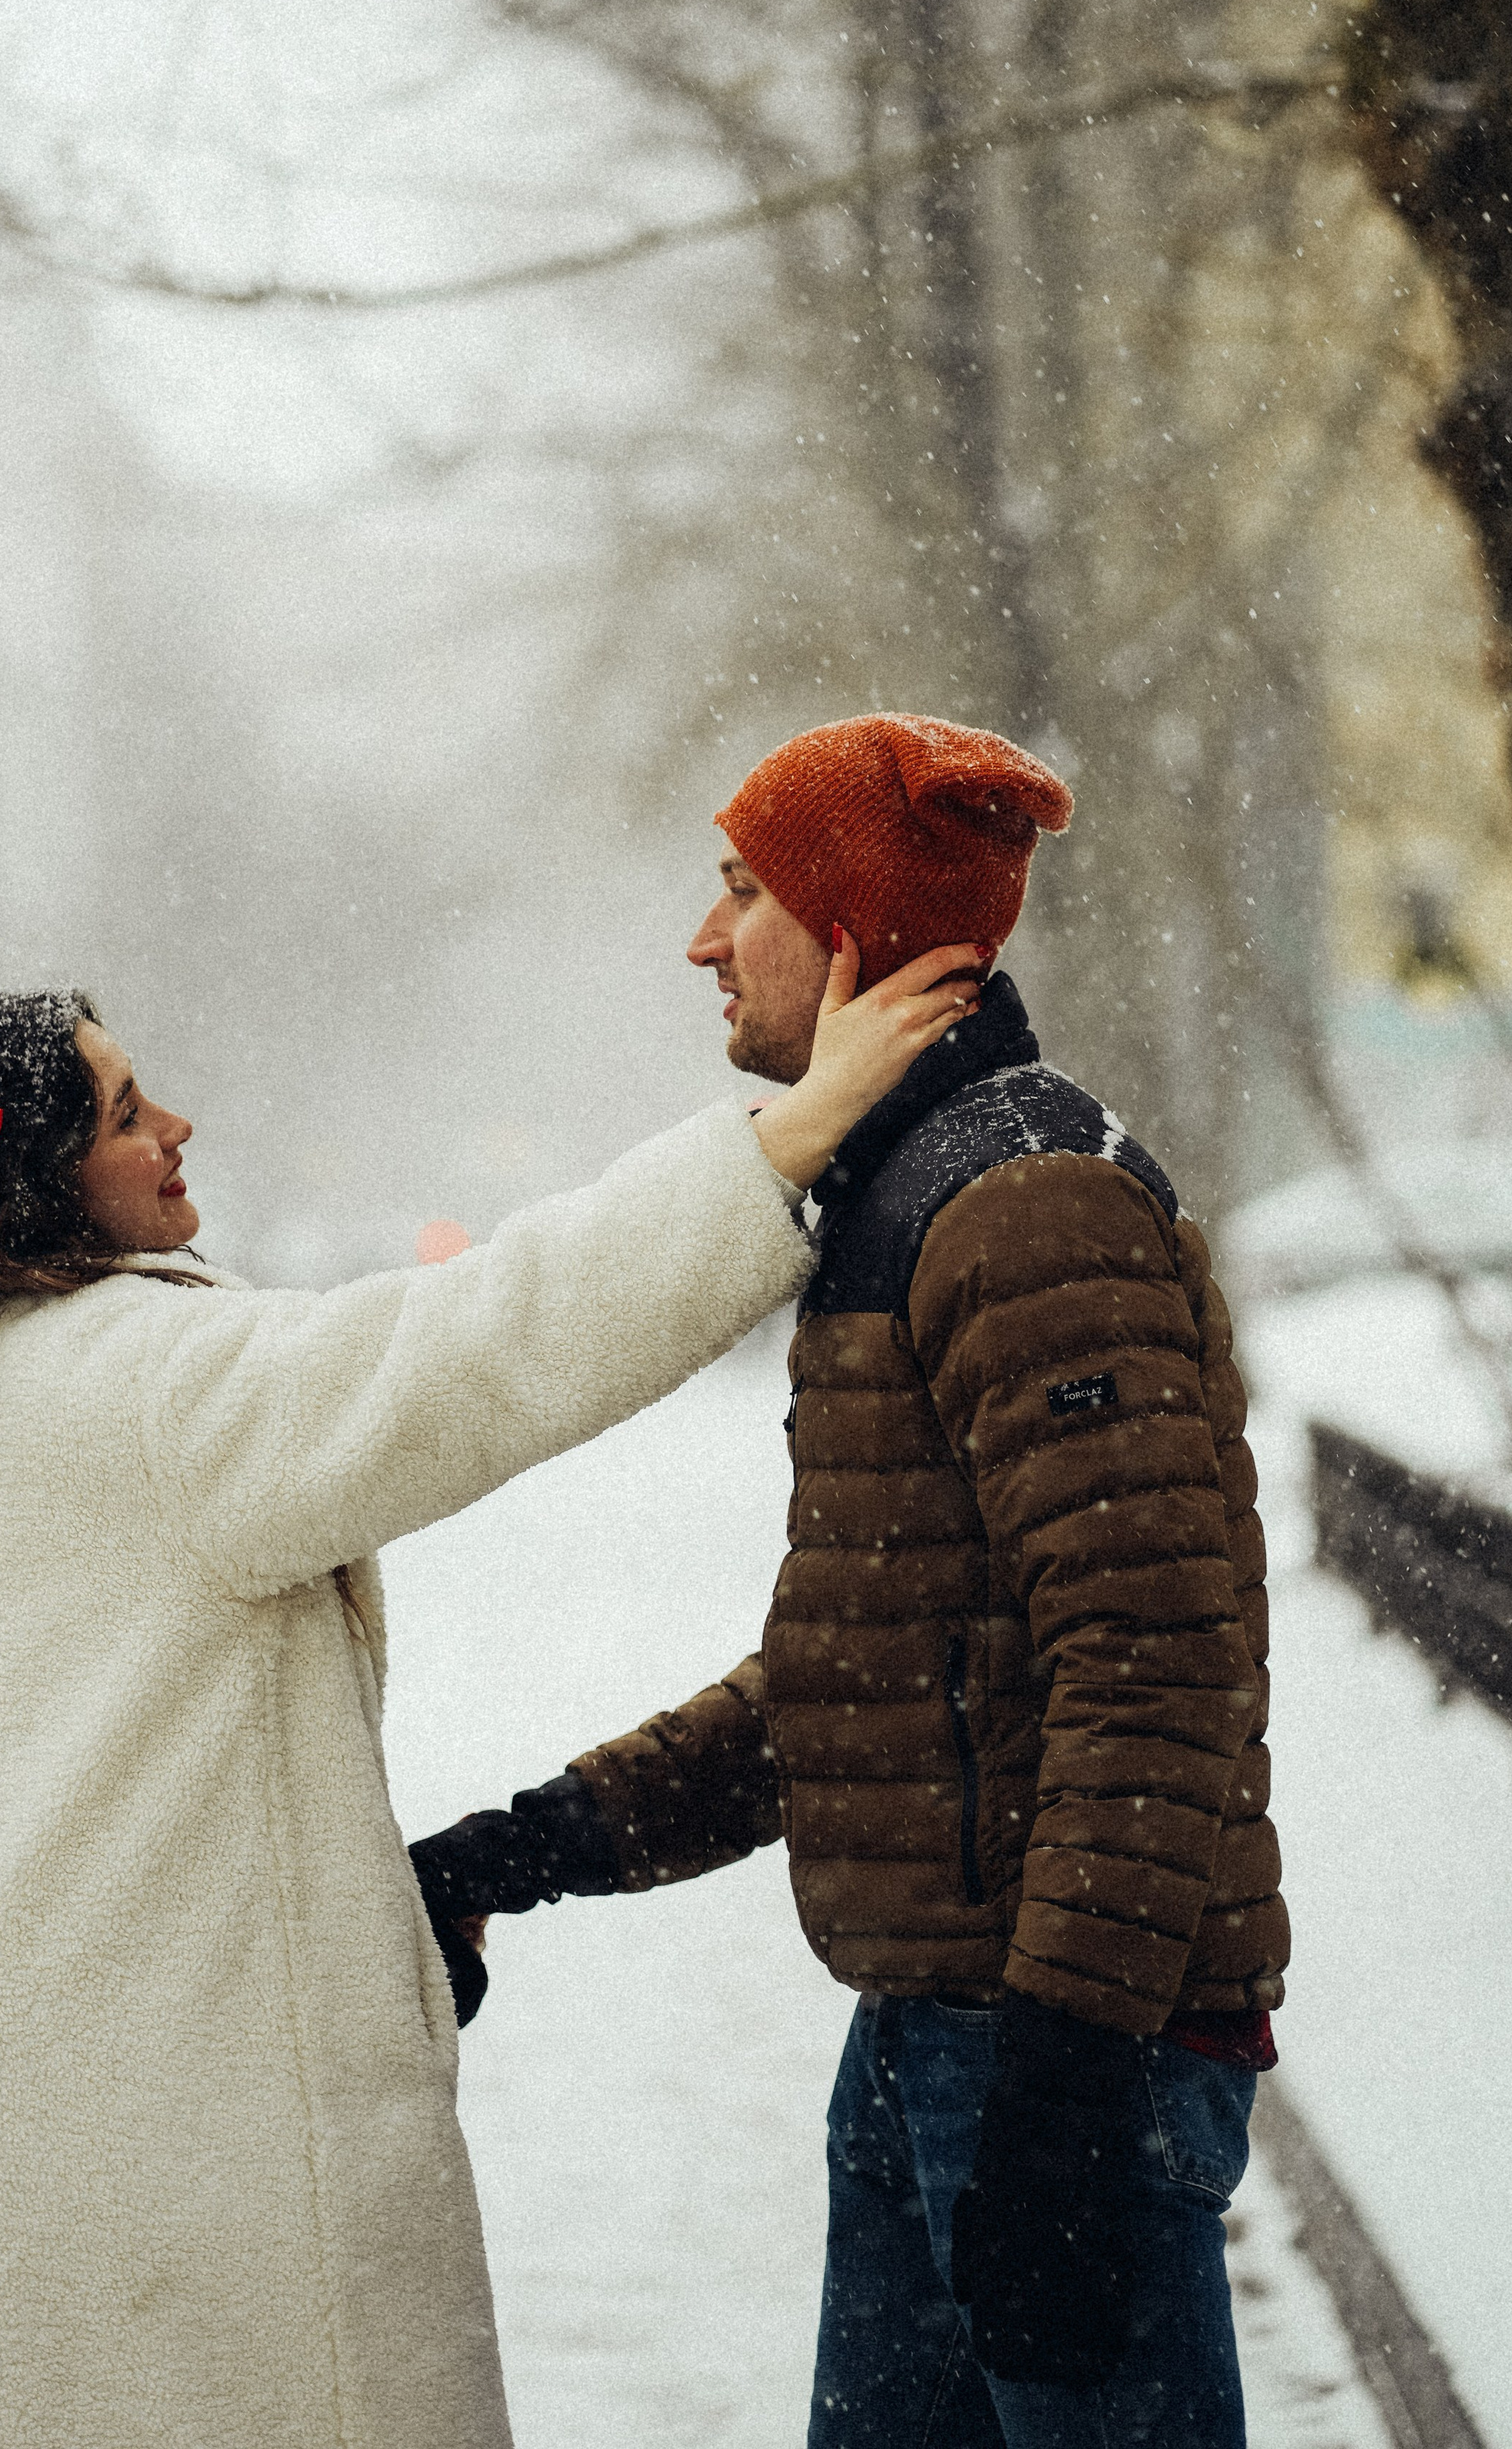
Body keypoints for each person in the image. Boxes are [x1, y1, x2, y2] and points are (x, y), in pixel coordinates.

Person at [0, 953, 978, 2449]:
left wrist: (360, 1940)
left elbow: (90, 1823)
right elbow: (484, 1341)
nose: (178, 1123)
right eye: (129, 1112)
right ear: (36, 1193)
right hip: (162, 2194)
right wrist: (788, 1136)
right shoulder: (145, 1382)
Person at [410, 713, 1290, 2449]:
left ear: (859, 927)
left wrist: (1055, 2093)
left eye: (740, 888)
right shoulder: (904, 1199)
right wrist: (534, 1842)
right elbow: (868, 1689)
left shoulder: (1025, 1206)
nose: (699, 935)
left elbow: (1149, 1668)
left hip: (1059, 2059)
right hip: (928, 2041)